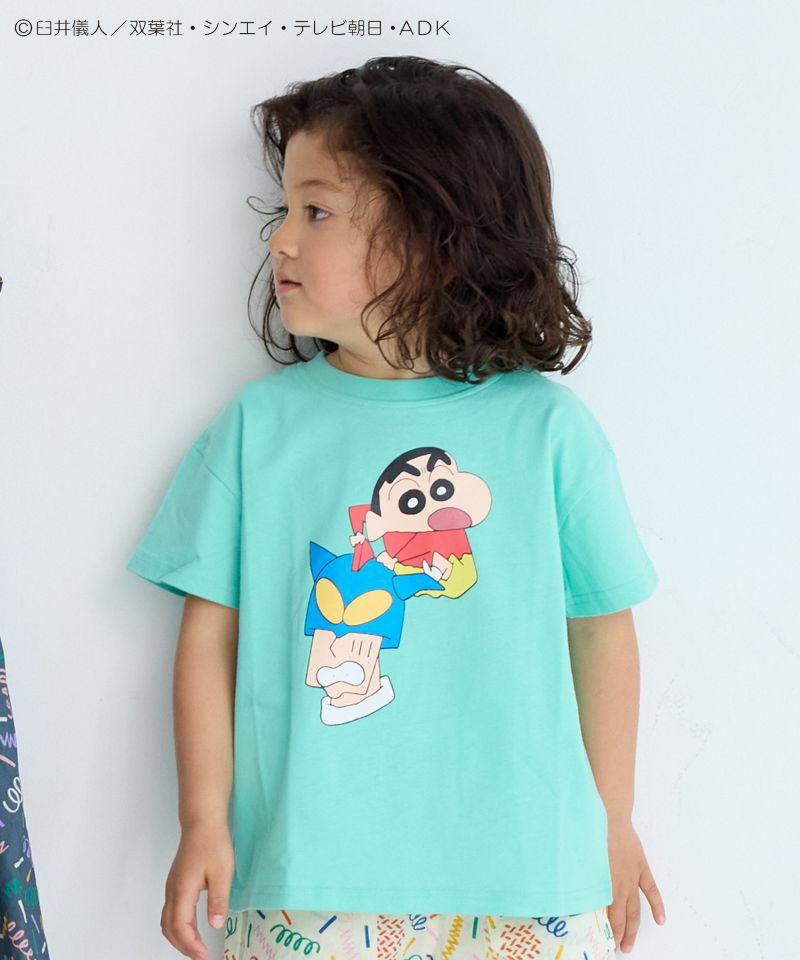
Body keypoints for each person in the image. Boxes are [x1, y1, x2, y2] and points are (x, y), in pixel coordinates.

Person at [127, 55, 667, 960]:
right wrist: (204, 821)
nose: (279, 242)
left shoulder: (547, 430)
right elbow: (210, 634)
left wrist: (613, 822)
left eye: (316, 211)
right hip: (308, 884)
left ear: (432, 236)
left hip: (532, 880)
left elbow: (602, 631)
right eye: (282, 211)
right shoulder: (259, 430)